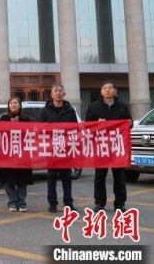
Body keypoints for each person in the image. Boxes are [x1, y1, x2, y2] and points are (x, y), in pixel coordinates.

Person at [85, 81, 132, 212]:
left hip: (117, 147)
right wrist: (96, 123)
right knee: (100, 176)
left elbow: (130, 123)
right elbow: (87, 125)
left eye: (110, 88)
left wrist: (129, 123)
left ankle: (120, 203)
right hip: (101, 147)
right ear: (101, 91)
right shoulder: (94, 107)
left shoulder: (122, 107)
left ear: (115, 91)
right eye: (105, 88)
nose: (108, 90)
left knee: (119, 177)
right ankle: (100, 203)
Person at [38, 84, 77, 213]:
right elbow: (39, 128)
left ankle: (68, 203)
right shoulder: (45, 110)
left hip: (65, 148)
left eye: (60, 91)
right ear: (51, 94)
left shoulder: (70, 110)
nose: (58, 93)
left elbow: (75, 128)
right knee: (51, 177)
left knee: (67, 177)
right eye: (55, 91)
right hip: (51, 148)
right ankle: (52, 203)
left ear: (64, 93)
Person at [0, 97, 33, 212]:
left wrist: (18, 125)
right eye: (11, 103)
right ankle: (12, 202)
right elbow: (0, 132)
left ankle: (22, 202)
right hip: (8, 153)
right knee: (9, 179)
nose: (13, 105)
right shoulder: (4, 118)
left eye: (15, 103)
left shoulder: (26, 118)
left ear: (20, 105)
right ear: (8, 106)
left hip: (23, 153)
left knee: (22, 179)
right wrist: (11, 126)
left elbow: (30, 133)